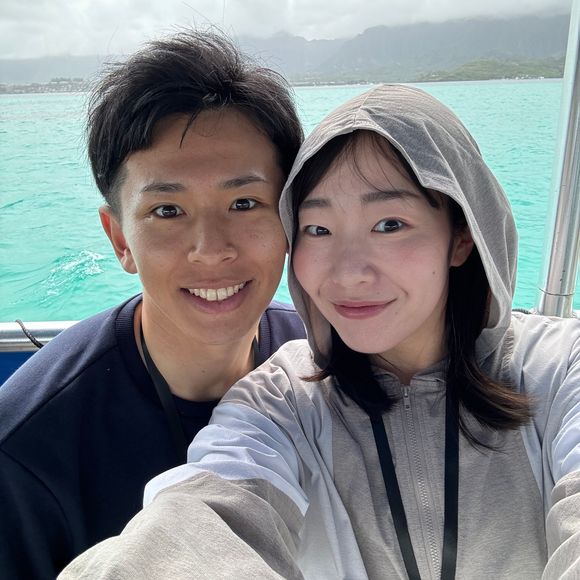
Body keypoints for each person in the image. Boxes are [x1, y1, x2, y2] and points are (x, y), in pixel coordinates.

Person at [61, 84, 580, 580]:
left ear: (462, 237)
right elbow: (205, 518)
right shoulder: (281, 402)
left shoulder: (561, 369)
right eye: (318, 229)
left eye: (389, 224)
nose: (348, 273)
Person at [0, 30, 306, 578]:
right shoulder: (28, 451)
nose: (211, 249)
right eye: (167, 211)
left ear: (289, 218)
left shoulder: (325, 365)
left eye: (244, 202)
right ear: (120, 239)